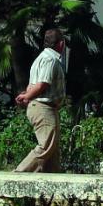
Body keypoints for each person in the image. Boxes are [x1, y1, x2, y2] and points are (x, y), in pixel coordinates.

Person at [15, 28, 67, 173]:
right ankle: (17, 176)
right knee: (46, 146)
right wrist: (27, 96)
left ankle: (52, 187)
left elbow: (32, 84)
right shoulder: (49, 59)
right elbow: (43, 83)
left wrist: (27, 94)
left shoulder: (41, 58)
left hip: (45, 107)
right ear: (61, 44)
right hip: (44, 107)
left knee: (52, 152)